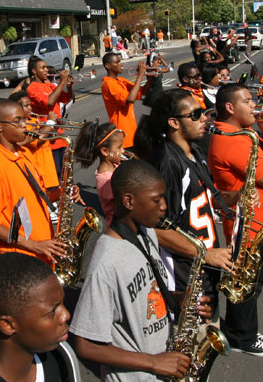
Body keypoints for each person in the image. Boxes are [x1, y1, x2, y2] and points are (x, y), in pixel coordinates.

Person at [70, 160, 213, 381]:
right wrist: (153, 362)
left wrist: (178, 299)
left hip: (162, 364)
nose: (164, 206)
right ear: (129, 201)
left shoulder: (147, 233)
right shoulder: (106, 262)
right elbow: (85, 345)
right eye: (156, 199)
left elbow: (145, 294)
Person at [208, 84, 263, 356]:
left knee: (251, 280)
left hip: (261, 219)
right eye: (247, 100)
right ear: (230, 108)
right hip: (251, 225)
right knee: (247, 282)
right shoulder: (231, 139)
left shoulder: (240, 133)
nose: (254, 105)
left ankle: (240, 331)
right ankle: (241, 337)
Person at [133, 89, 234, 303]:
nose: (204, 118)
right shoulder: (167, 163)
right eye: (195, 115)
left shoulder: (193, 151)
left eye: (203, 112)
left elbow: (203, 197)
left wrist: (237, 197)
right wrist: (206, 255)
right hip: (183, 275)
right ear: (174, 123)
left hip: (204, 265)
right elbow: (154, 229)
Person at [0, 99, 71, 264]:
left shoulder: (22, 152)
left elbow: (37, 195)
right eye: (17, 121)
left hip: (43, 247)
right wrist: (34, 245)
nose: (25, 125)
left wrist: (63, 192)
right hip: (22, 257)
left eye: (24, 119)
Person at [0, 253, 78, 381]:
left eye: (62, 303)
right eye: (52, 311)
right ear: (8, 325)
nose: (66, 315)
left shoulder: (61, 356)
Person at [72, 121, 124, 228]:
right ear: (105, 151)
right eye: (119, 147)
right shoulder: (106, 180)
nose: (123, 150)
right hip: (119, 227)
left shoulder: (115, 164)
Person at [26, 58, 73, 177]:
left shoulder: (51, 86)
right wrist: (62, 83)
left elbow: (68, 99)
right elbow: (49, 102)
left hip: (60, 138)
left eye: (46, 67)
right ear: (34, 71)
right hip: (48, 141)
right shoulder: (32, 88)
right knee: (54, 176)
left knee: (65, 175)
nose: (46, 70)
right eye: (43, 68)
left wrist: (69, 86)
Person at [9, 91, 59, 193]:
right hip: (39, 171)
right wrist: (50, 123)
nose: (30, 108)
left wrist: (52, 128)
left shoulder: (33, 120)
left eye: (30, 105)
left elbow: (48, 137)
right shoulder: (21, 126)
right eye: (26, 106)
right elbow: (38, 139)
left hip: (49, 170)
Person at [101, 53, 149, 149]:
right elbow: (130, 99)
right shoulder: (108, 84)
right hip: (122, 135)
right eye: (117, 62)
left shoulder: (121, 80)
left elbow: (144, 91)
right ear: (108, 66)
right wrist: (140, 75)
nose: (121, 64)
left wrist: (151, 76)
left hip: (132, 133)